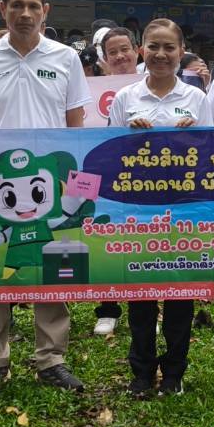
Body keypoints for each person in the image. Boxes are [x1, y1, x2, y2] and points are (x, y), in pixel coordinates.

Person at [0, 0, 90, 394]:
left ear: (45, 11)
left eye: (34, 6)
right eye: (17, 5)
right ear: (3, 9)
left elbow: (75, 125)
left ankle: (51, 359)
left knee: (50, 265)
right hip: (0, 183)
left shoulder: (66, 58)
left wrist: (77, 185)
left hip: (47, 184)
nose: (26, 13)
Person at [108, 18, 210, 396]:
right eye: (154, 46)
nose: (161, 54)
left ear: (181, 52)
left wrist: (195, 138)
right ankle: (140, 371)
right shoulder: (125, 99)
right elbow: (110, 157)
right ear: (141, 51)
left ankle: (174, 372)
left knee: (180, 294)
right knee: (141, 295)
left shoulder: (198, 99)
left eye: (169, 47)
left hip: (184, 210)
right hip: (138, 211)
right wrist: (128, 137)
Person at [92, 26, 141, 337]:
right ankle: (107, 309)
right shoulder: (91, 88)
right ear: (104, 58)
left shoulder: (157, 82)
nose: (121, 56)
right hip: (109, 178)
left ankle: (152, 303)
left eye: (125, 49)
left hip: (154, 183)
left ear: (137, 50)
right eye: (113, 52)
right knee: (107, 242)